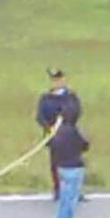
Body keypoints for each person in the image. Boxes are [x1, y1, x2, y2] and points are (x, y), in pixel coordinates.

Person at [35, 68, 82, 200]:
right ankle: (58, 189)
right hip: (53, 136)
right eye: (53, 80)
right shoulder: (45, 98)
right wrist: (49, 128)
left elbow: (77, 111)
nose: (55, 83)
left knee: (73, 163)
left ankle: (74, 190)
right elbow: (39, 116)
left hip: (69, 135)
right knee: (55, 163)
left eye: (58, 80)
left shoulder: (71, 97)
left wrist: (66, 121)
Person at [49, 111, 90, 218]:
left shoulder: (58, 131)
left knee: (63, 200)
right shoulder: (73, 132)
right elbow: (85, 145)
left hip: (61, 168)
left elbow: (50, 145)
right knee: (70, 201)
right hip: (74, 167)